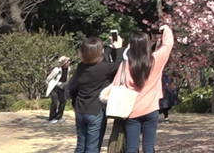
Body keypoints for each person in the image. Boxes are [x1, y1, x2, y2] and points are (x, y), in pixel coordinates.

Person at [111, 24, 174, 153]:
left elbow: (116, 85)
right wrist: (166, 30)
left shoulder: (125, 65)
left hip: (131, 110)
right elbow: (167, 45)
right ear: (147, 45)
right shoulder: (155, 60)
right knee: (149, 147)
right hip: (151, 109)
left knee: (132, 148)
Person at [68, 34, 124, 153]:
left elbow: (99, 56)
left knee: (81, 145)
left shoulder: (81, 67)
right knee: (92, 147)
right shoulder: (104, 68)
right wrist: (118, 48)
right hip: (96, 111)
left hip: (80, 110)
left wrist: (111, 47)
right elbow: (120, 64)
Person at [47, 55, 72, 123]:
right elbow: (49, 78)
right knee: (55, 101)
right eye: (68, 61)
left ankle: (59, 117)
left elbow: (66, 77)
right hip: (54, 87)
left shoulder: (69, 69)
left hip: (62, 87)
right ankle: (52, 118)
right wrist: (51, 84)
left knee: (63, 101)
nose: (69, 62)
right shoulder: (56, 70)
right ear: (64, 63)